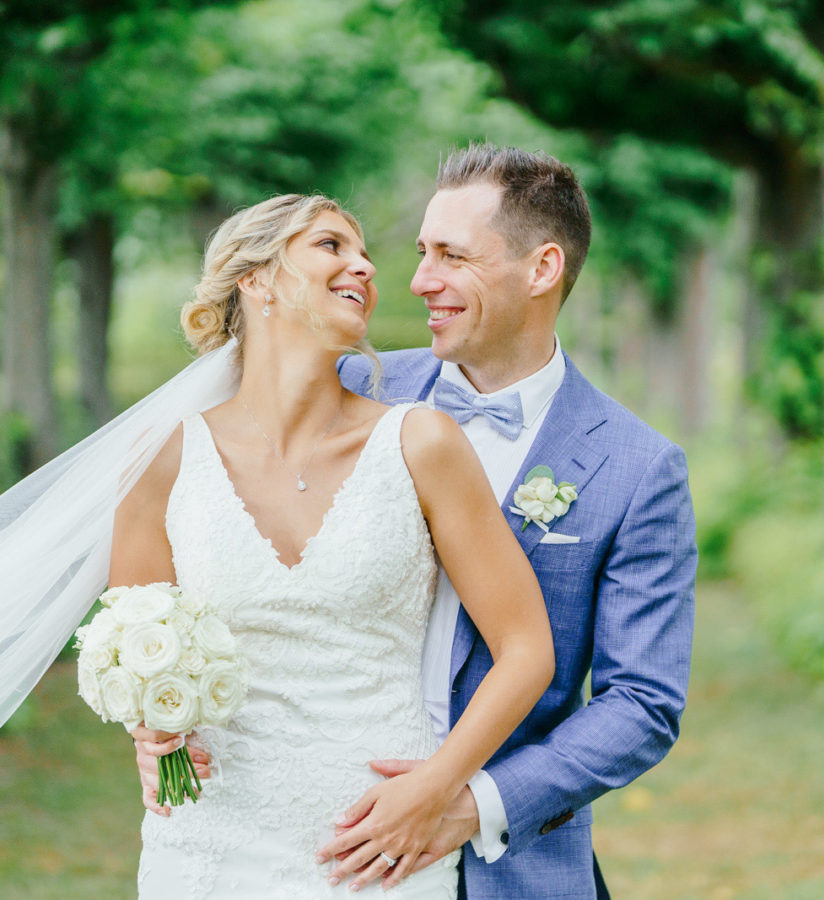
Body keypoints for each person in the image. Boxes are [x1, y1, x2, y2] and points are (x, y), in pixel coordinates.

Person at [94, 193, 554, 898]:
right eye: (332, 246)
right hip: (209, 843)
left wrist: (435, 787)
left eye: (365, 252)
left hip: (380, 843)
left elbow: (526, 649)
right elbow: (135, 645)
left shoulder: (421, 443)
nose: (365, 267)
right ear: (257, 279)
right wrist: (152, 740)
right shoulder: (164, 459)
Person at [318, 145, 697, 898]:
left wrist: (470, 806)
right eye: (424, 253)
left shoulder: (638, 468)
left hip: (511, 870)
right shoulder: (353, 390)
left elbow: (641, 704)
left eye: (452, 256)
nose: (422, 280)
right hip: (325, 830)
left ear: (542, 269)